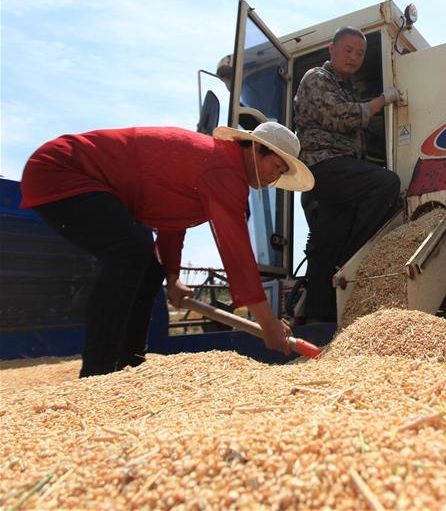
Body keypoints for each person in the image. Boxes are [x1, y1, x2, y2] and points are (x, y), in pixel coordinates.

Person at [19, 116, 315, 377]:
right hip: (60, 169)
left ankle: (128, 362)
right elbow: (235, 249)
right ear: (254, 148)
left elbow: (172, 222)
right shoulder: (224, 167)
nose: (272, 178)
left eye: (280, 174)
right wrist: (267, 322)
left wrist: (172, 277)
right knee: (130, 248)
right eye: (274, 166)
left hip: (82, 179)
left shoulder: (217, 165)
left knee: (148, 266)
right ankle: (97, 372)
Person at [293, 26, 401, 322]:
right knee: (385, 183)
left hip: (337, 171)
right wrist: (382, 101)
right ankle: (353, 255)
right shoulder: (316, 78)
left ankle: (320, 318)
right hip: (323, 165)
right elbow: (341, 116)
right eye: (348, 50)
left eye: (360, 53)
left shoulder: (346, 87)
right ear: (332, 49)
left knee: (326, 244)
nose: (354, 58)